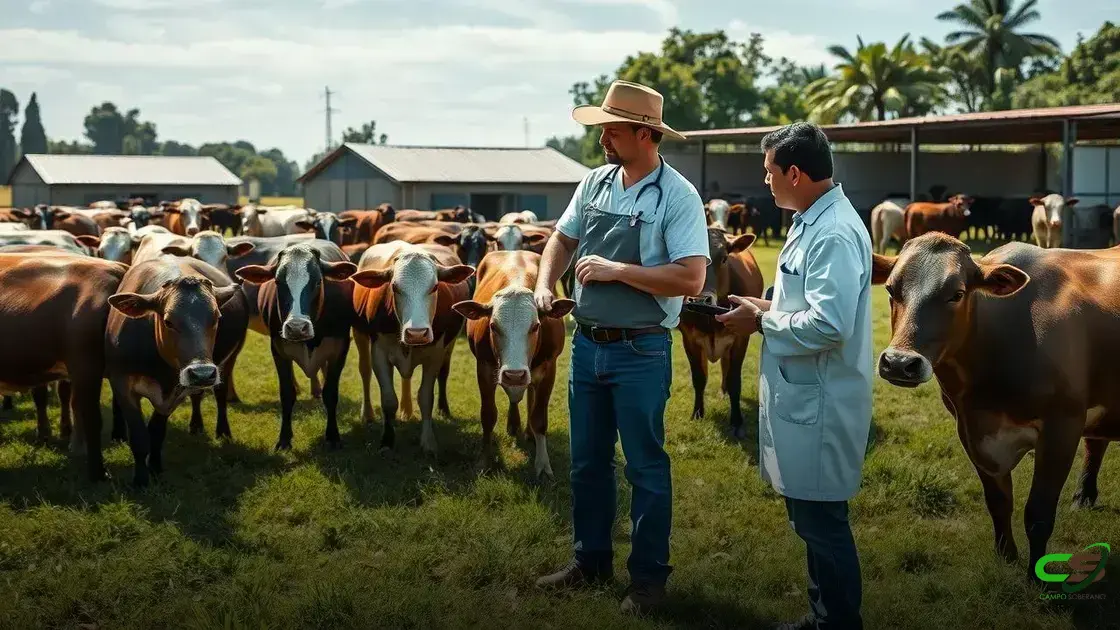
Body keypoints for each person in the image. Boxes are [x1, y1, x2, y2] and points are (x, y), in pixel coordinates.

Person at [532, 79, 710, 615]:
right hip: (587, 346)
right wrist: (544, 282)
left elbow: (691, 278)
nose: (602, 138)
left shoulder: (678, 196)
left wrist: (618, 271)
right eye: (603, 128)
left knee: (645, 468)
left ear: (644, 133)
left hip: (641, 350)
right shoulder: (594, 183)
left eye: (611, 129)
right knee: (587, 463)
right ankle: (589, 561)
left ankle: (648, 581)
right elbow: (562, 238)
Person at [714, 122, 873, 630]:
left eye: (770, 171)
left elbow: (829, 325)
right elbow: (806, 305)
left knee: (822, 524)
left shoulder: (833, 233)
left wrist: (760, 322)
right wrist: (762, 306)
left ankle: (839, 622)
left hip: (822, 400)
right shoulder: (812, 220)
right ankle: (822, 613)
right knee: (810, 519)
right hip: (805, 394)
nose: (766, 181)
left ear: (796, 174)